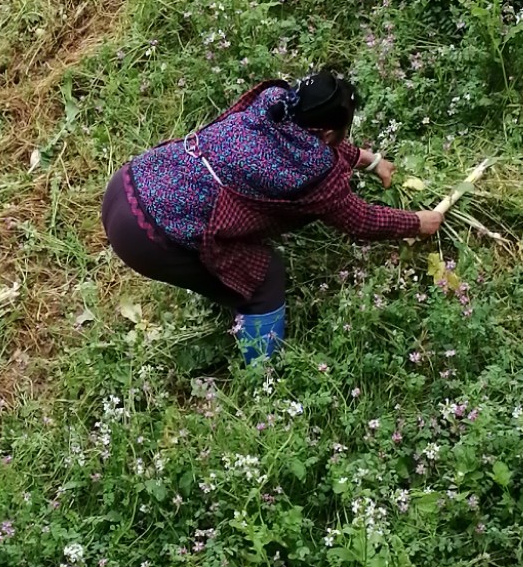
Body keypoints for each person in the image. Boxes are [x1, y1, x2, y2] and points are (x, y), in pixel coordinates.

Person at [101, 70, 443, 363]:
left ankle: (231, 307)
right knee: (263, 279)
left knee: (227, 259)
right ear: (327, 134)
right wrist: (417, 222)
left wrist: (370, 161)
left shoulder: (275, 104)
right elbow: (360, 221)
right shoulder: (311, 171)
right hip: (145, 234)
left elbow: (324, 144)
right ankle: (262, 376)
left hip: (134, 180)